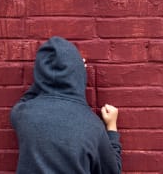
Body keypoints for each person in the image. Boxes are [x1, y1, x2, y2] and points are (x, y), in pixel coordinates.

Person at [10, 36, 122, 174]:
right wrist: (111, 128)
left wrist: (45, 76)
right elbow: (112, 171)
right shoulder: (93, 126)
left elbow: (27, 98)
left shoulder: (23, 114)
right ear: (79, 73)